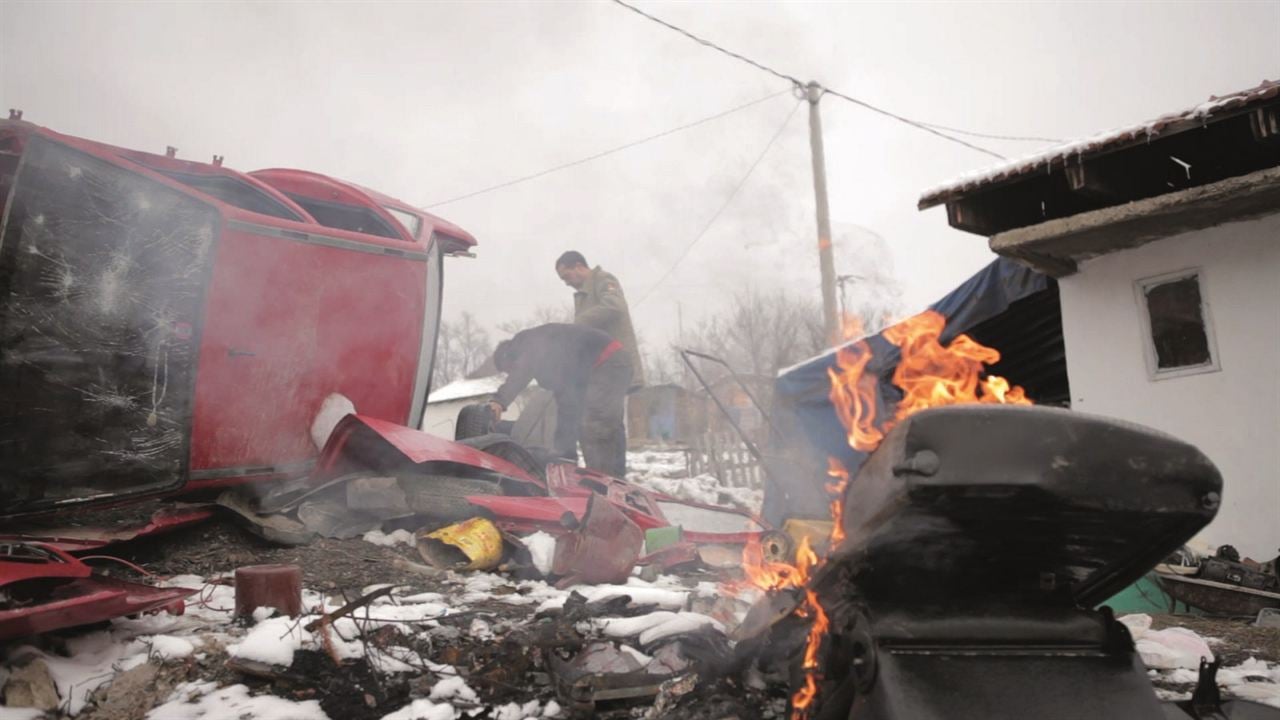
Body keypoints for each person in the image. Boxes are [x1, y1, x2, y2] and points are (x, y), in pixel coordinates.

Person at [487, 323, 631, 478]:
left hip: (606, 362)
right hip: (607, 363)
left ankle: (605, 484)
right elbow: (567, 404)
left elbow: (520, 374)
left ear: (509, 357)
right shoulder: (556, 361)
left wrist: (499, 401)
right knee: (605, 422)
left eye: (509, 369)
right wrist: (563, 452)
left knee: (597, 425)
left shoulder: (528, 343)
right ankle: (614, 477)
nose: (510, 373)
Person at [554, 251, 645, 389]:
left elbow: (614, 306)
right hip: (603, 373)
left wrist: (577, 324)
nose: (567, 283)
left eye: (567, 276)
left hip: (620, 368)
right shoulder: (583, 295)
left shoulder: (603, 279)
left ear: (578, 266)